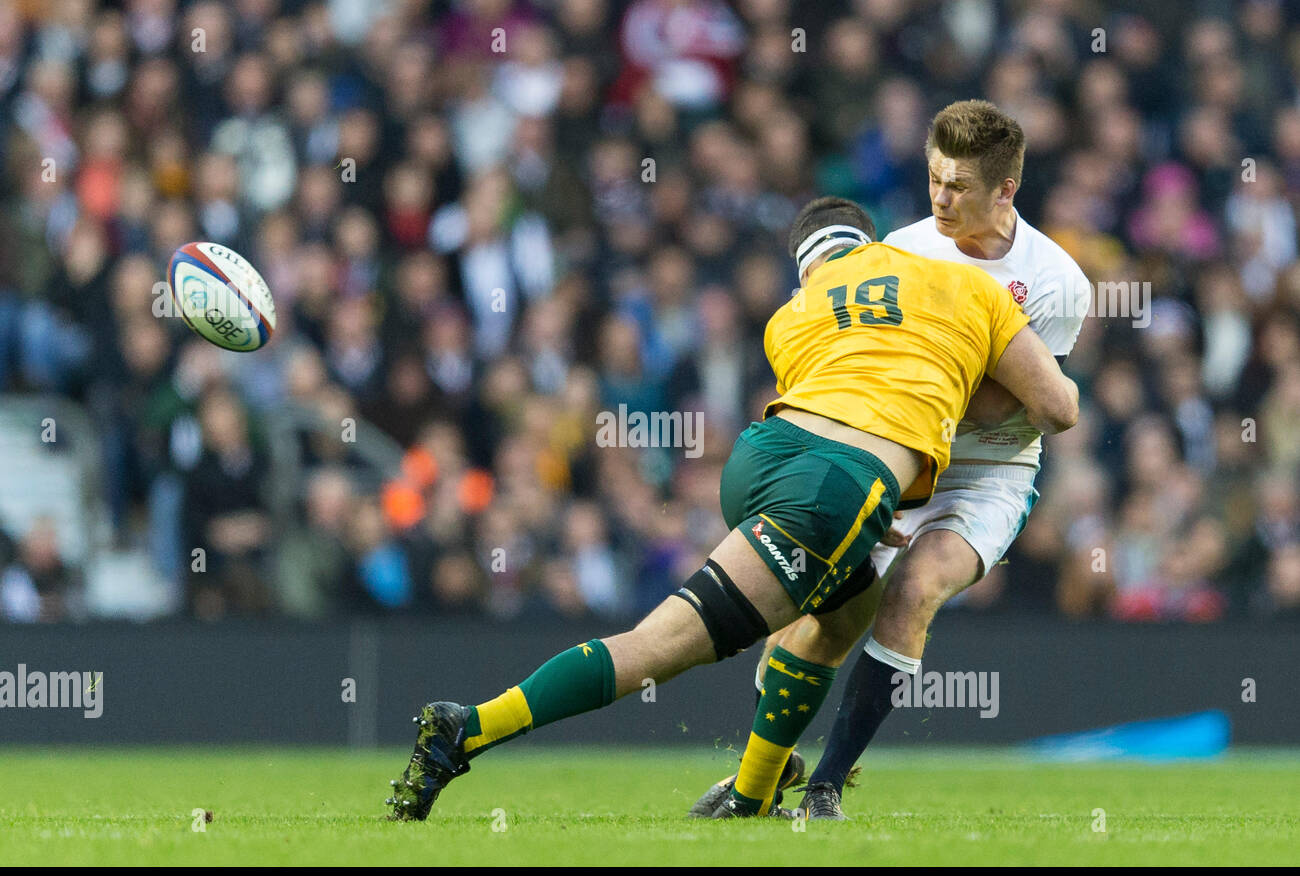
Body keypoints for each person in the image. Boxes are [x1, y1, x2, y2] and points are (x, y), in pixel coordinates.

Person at [385, 193, 1078, 821]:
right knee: (661, 646)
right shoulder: (956, 281)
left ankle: (754, 791)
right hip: (841, 483)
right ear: (875, 244)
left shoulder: (792, 317)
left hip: (761, 458)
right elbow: (1053, 406)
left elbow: (844, 395)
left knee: (846, 611)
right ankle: (469, 727)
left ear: (808, 269)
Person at [688, 100, 1094, 821]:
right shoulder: (900, 251)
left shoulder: (1057, 280)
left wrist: (918, 397)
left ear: (1007, 191)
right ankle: (766, 772)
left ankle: (826, 788)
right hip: (895, 453)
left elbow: (1030, 406)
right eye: (934, 178)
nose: (940, 197)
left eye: (959, 186)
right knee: (810, 615)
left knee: (912, 593)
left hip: (987, 472)